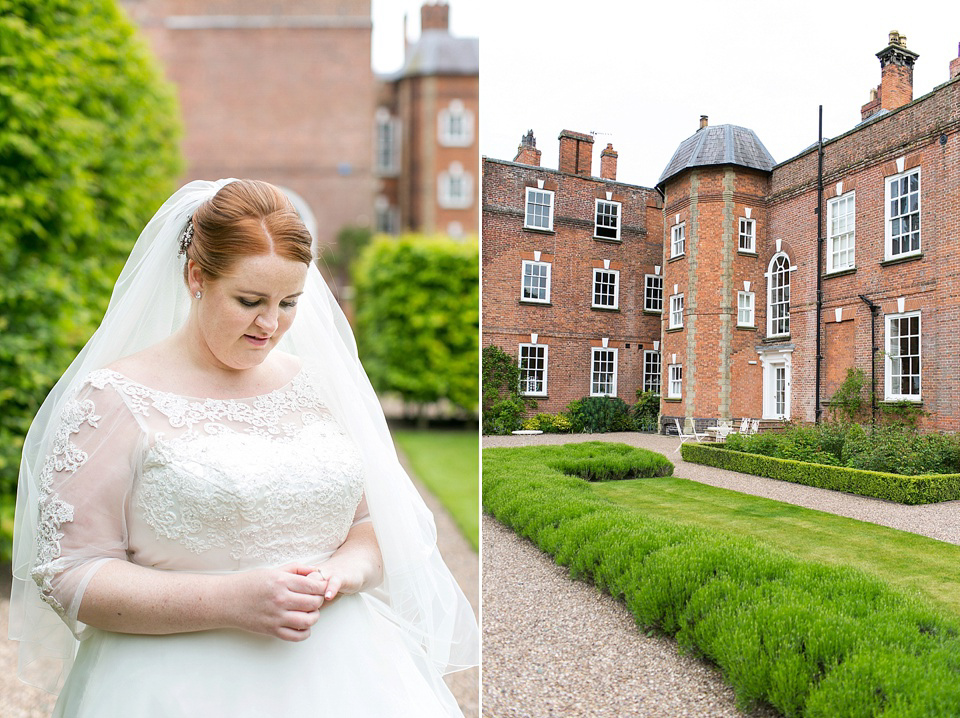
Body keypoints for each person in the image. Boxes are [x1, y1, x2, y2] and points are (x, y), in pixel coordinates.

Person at [9, 179, 479, 716]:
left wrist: (343, 572)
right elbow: (71, 572)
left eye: (289, 302)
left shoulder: (322, 385)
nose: (271, 324)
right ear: (196, 277)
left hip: (348, 675)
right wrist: (232, 601)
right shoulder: (114, 399)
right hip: (170, 687)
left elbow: (373, 522)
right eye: (249, 301)